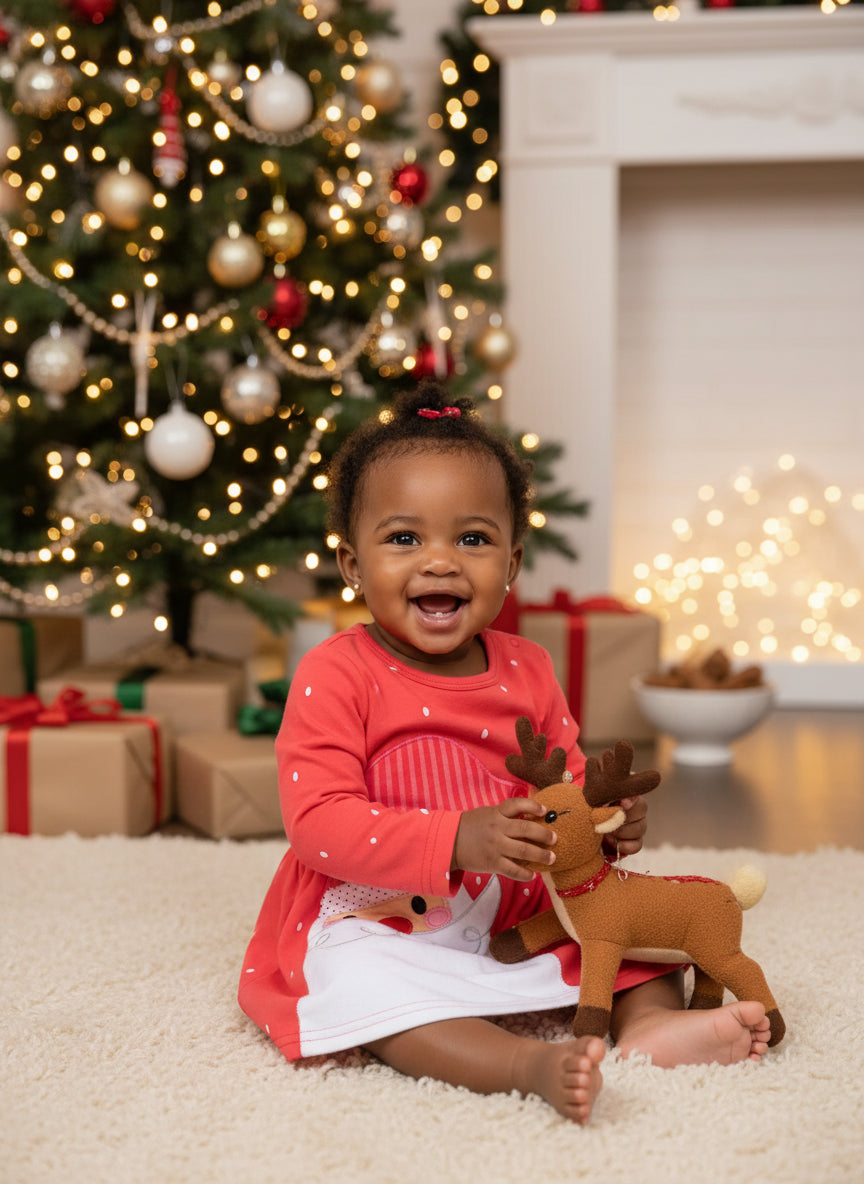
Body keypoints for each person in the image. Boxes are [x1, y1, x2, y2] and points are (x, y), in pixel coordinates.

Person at [238, 381, 771, 1124]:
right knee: (366, 989)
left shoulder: (527, 668)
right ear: (352, 564)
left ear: (512, 561)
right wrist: (455, 837)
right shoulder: (336, 672)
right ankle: (524, 1064)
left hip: (516, 906)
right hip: (389, 910)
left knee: (633, 926)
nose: (440, 563)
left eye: (472, 538)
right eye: (402, 538)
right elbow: (318, 823)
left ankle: (649, 1027)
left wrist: (605, 824)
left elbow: (572, 794)